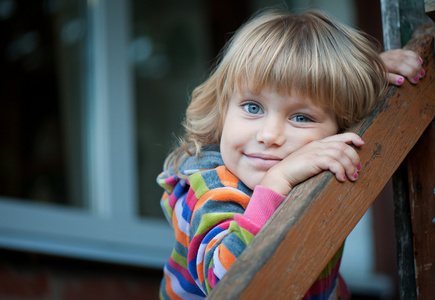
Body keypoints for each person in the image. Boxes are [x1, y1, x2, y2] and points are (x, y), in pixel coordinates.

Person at [156, 9, 425, 300]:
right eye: (252, 107)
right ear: (222, 110)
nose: (270, 136)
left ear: (339, 128)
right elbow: (227, 280)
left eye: (301, 117)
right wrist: (277, 180)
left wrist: (363, 78)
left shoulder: (314, 170)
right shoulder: (209, 188)